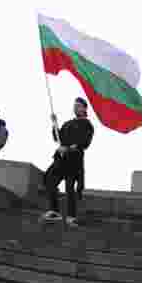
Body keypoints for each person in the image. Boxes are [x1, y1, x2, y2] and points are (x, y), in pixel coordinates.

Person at [41, 97, 94, 226]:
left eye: (78, 106)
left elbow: (84, 142)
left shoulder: (87, 124)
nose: (75, 108)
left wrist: (69, 148)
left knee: (69, 188)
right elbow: (57, 137)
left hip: (74, 160)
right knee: (48, 179)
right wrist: (54, 123)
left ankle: (71, 216)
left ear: (84, 108)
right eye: (74, 105)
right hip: (60, 159)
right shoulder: (68, 123)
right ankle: (54, 211)